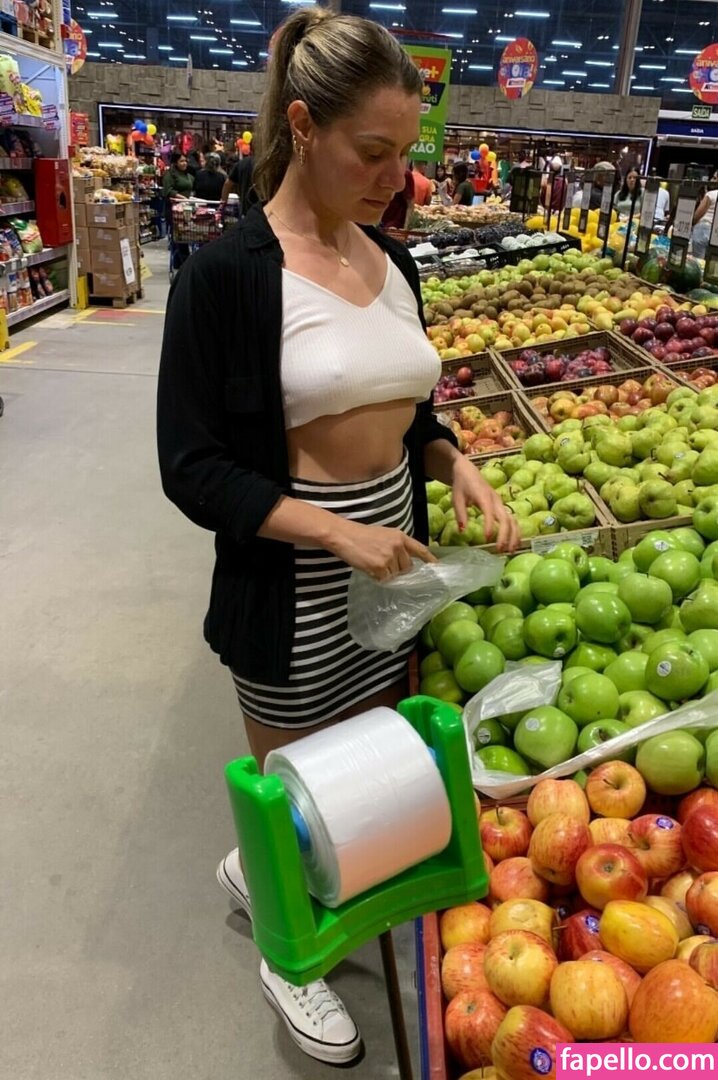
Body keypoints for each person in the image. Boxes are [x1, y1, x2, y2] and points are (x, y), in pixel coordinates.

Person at [157, 8, 519, 1068]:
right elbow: (191, 465)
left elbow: (409, 410)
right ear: (304, 125)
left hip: (394, 569)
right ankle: (289, 956)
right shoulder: (229, 277)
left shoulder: (394, 262)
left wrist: (455, 463)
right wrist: (332, 533)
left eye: (406, 153)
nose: (396, 178)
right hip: (293, 583)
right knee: (293, 787)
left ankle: (265, 874)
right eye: (373, 152)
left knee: (359, 779)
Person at [691, 182, 718, 260]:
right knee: (712, 263)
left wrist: (692, 223)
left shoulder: (711, 194)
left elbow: (698, 214)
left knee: (698, 261)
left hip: (704, 228)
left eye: (715, 178)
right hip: (716, 232)